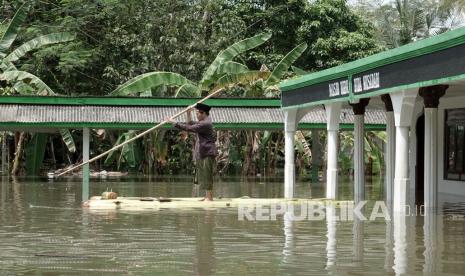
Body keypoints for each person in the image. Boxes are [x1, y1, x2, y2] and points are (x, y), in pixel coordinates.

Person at [166, 103, 217, 201]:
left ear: (203, 113)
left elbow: (188, 128)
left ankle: (209, 198)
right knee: (203, 174)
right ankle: (207, 196)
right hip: (202, 152)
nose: (196, 115)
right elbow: (190, 123)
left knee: (207, 174)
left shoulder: (205, 124)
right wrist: (188, 113)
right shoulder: (202, 121)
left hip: (207, 152)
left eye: (197, 113)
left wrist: (174, 122)